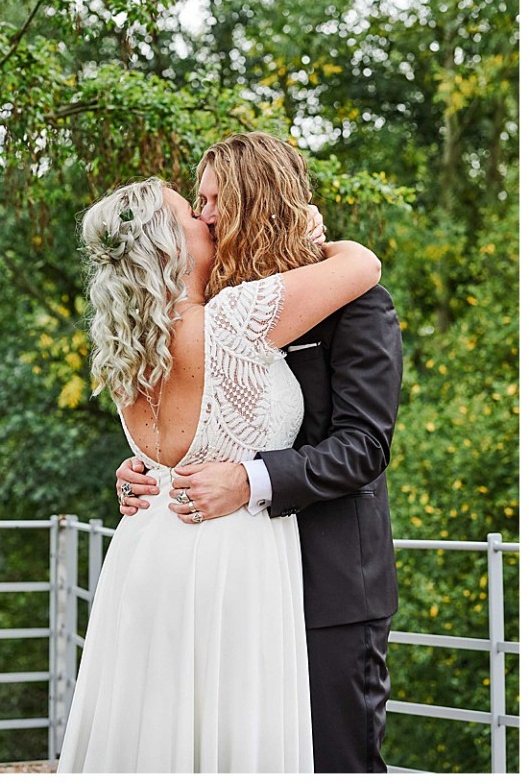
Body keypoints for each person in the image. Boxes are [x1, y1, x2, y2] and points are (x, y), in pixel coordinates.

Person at [57, 169, 382, 772]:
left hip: (145, 552)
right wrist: (313, 236)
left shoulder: (128, 345)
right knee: (228, 740)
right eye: (192, 211)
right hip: (228, 558)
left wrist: (136, 473)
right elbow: (364, 264)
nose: (206, 216)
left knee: (158, 736)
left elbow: (169, 453)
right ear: (171, 246)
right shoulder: (233, 316)